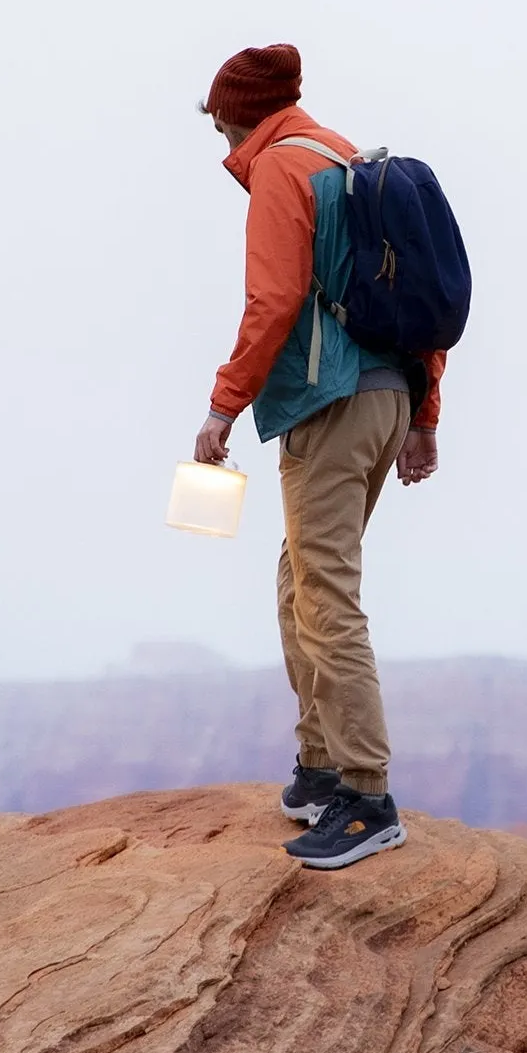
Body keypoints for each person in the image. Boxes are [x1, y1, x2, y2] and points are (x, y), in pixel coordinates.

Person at [193, 43, 445, 870]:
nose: (218, 134)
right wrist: (423, 417)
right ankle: (320, 767)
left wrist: (222, 406)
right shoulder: (345, 155)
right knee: (299, 575)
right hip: (387, 397)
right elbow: (417, 301)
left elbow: (272, 300)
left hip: (331, 406)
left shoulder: (280, 171)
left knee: (325, 590)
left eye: (218, 119)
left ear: (237, 112)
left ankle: (367, 796)